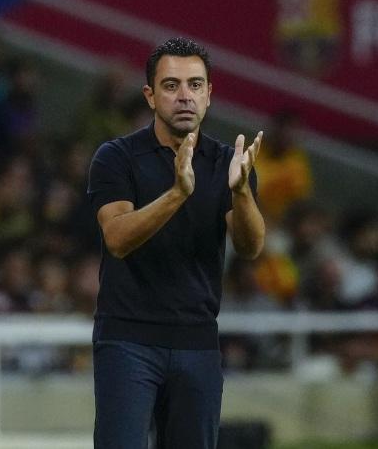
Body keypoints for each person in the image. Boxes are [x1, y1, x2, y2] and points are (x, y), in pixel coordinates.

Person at [87, 37, 265, 449]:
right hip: (127, 340)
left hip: (197, 341)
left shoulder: (228, 163)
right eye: (171, 85)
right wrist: (177, 193)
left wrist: (241, 192)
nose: (185, 96)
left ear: (209, 94)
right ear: (150, 96)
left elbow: (250, 247)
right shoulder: (116, 157)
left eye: (195, 85)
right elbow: (117, 238)